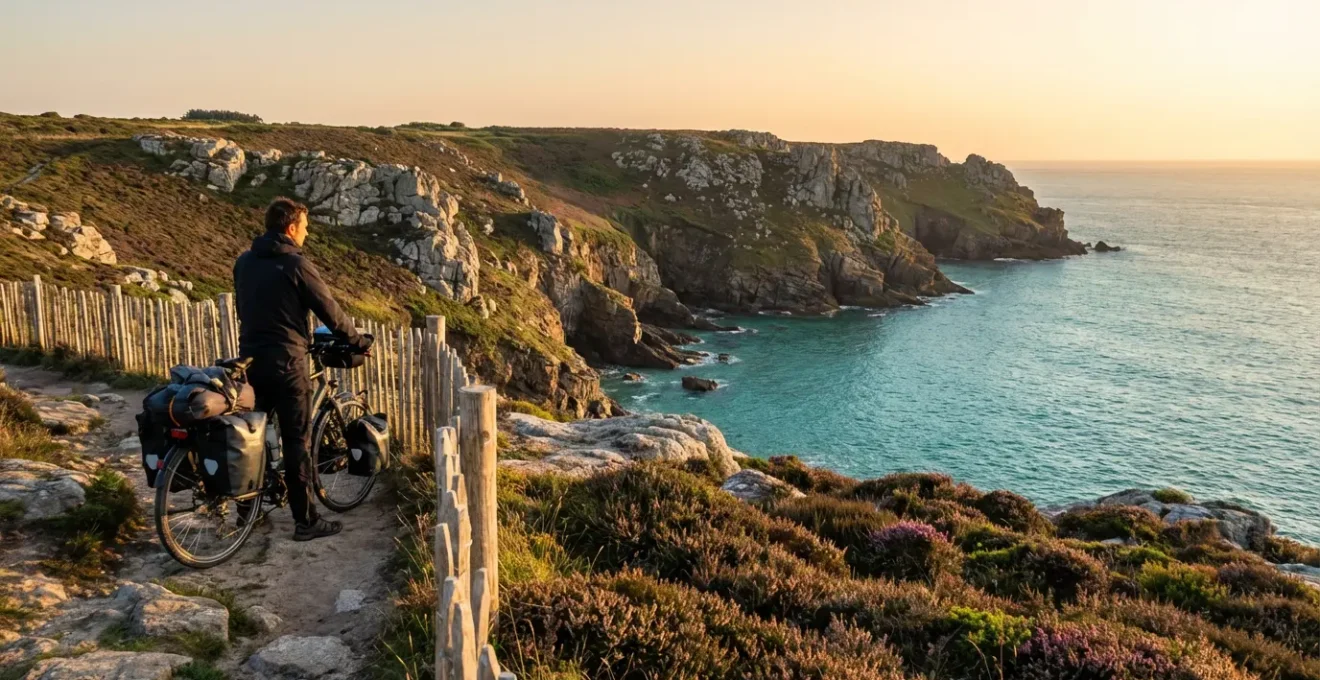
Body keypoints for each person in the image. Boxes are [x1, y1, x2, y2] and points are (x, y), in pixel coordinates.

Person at [233, 197, 370, 541]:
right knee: (298, 441)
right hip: (287, 364)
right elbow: (329, 310)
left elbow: (244, 307)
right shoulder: (295, 264)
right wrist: (356, 341)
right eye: (305, 227)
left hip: (249, 360)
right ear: (291, 228)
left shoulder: (244, 262)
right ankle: (306, 521)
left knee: (253, 433)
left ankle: (246, 510)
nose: (307, 233)